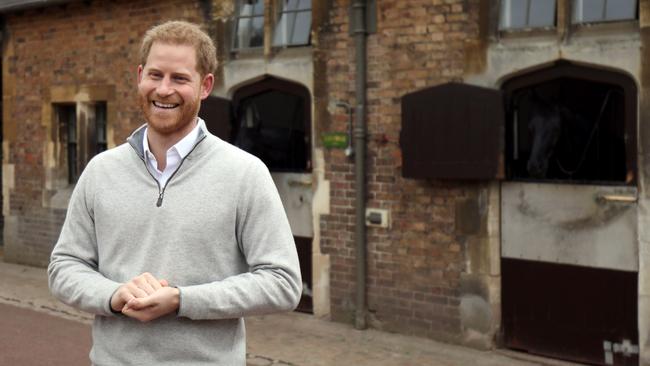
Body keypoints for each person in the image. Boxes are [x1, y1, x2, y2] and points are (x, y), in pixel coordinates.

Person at [48, 20, 302, 365]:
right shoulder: (101, 171)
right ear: (140, 76)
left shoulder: (245, 173)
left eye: (180, 79)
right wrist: (114, 294)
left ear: (205, 85)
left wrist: (183, 300)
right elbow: (65, 266)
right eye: (155, 75)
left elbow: (283, 282)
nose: (164, 89)